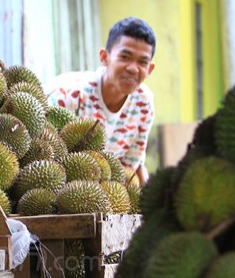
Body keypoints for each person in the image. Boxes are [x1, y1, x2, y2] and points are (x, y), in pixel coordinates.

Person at [46, 17, 156, 186]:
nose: (133, 68)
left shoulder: (144, 104)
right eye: (125, 57)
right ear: (104, 57)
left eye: (142, 62)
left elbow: (132, 167)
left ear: (150, 69)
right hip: (60, 186)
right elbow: (43, 154)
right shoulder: (68, 96)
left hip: (105, 193)